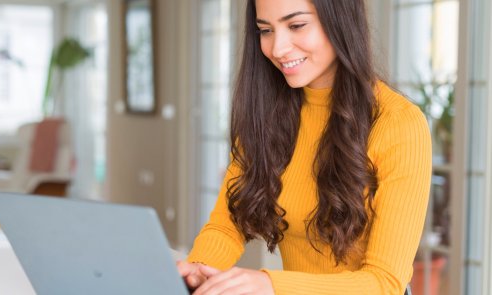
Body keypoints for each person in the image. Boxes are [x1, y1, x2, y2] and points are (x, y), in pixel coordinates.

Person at [177, 0, 431, 294]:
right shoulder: (266, 114)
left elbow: (384, 283)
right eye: (265, 30)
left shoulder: (399, 124)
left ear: (340, 19)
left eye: (296, 25)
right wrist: (197, 270)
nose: (278, 48)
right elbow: (227, 225)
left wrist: (270, 284)